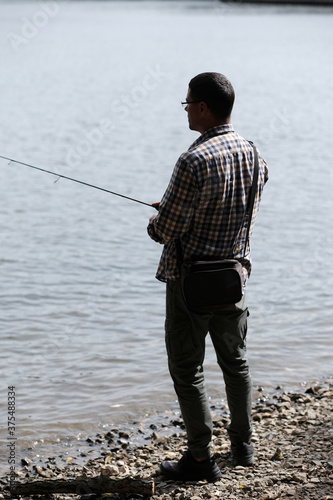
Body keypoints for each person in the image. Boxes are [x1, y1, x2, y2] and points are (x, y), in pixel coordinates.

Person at [147, 72, 268, 482]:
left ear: (201, 107)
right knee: (236, 363)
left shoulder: (192, 159)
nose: (185, 111)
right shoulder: (252, 152)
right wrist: (184, 206)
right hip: (234, 279)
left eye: (186, 104)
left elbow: (164, 231)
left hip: (190, 282)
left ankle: (200, 458)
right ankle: (243, 443)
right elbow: (251, 191)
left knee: (187, 368)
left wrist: (159, 215)